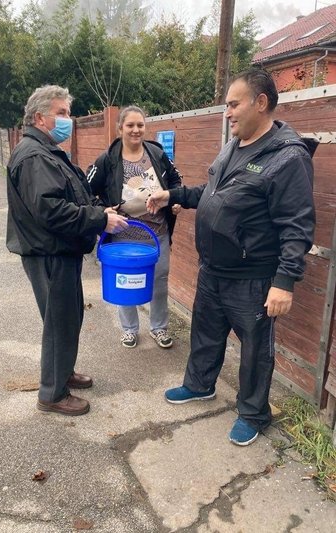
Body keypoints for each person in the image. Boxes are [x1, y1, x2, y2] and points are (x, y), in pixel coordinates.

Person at [146, 69, 317, 445]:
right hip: (213, 269)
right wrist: (173, 195)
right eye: (226, 105)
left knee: (255, 350)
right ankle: (199, 384)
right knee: (205, 332)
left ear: (261, 102)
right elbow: (212, 192)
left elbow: (297, 226)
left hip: (253, 277)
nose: (227, 112)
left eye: (233, 104)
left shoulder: (288, 158)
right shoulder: (232, 145)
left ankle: (254, 413)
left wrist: (284, 281)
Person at [6, 85, 128, 416]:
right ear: (39, 118)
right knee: (59, 322)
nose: (68, 120)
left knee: (69, 317)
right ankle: (52, 393)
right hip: (49, 253)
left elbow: (70, 196)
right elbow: (51, 211)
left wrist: (100, 209)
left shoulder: (46, 151)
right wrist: (100, 219)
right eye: (61, 113)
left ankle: (63, 372)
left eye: (68, 113)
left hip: (60, 251)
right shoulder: (34, 157)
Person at [87, 106, 183, 349]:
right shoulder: (108, 160)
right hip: (123, 237)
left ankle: (159, 328)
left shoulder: (157, 154)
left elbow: (175, 180)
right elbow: (85, 191)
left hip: (157, 235)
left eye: (140, 125)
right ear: (120, 128)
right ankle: (129, 329)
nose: (136, 130)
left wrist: (174, 199)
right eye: (130, 125)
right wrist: (102, 210)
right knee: (125, 282)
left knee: (159, 283)